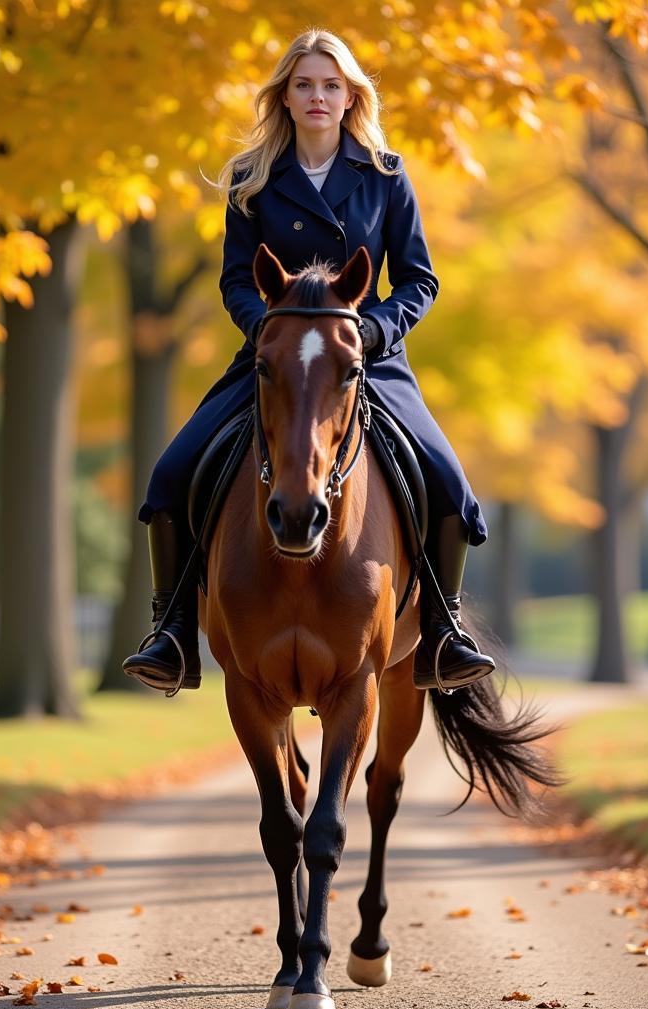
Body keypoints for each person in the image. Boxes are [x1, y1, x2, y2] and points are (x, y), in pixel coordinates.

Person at [122, 28, 495, 694]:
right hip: (273, 358)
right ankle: (172, 629)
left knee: (449, 481)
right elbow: (237, 278)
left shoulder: (385, 174)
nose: (317, 96)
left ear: (350, 96)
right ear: (285, 97)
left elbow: (419, 279)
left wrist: (372, 333)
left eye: (330, 84)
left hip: (366, 359)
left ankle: (442, 630)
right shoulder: (251, 177)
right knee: (170, 473)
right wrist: (267, 329)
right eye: (304, 84)